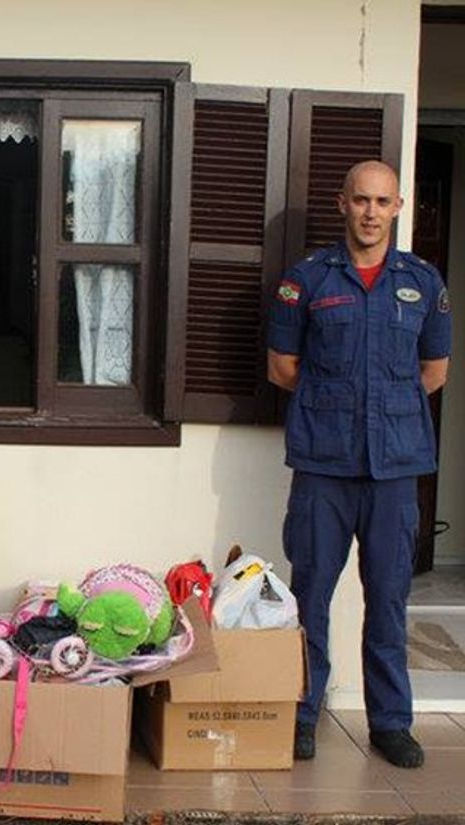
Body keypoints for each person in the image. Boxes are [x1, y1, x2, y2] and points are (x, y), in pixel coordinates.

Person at [267, 161, 451, 769]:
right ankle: (302, 714)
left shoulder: (422, 282)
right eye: (362, 200)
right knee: (310, 594)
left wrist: (382, 409)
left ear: (398, 207)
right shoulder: (308, 280)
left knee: (389, 599)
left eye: (383, 201)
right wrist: (340, 406)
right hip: (324, 463)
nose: (372, 212)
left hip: (395, 467)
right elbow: (282, 367)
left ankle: (391, 724)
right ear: (342, 204)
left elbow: (434, 372)